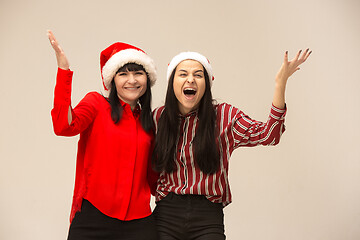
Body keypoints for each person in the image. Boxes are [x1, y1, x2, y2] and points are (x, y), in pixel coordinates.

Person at [151, 50, 311, 239]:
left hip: (207, 216)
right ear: (172, 83)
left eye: (198, 75)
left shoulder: (225, 116)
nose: (191, 80)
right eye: (183, 74)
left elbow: (270, 135)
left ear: (207, 83)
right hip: (166, 215)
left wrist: (280, 83)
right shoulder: (157, 118)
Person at [48, 30, 158, 240]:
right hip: (94, 218)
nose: (132, 80)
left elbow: (155, 178)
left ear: (148, 78)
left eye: (138, 73)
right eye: (123, 74)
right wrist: (63, 70)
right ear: (112, 80)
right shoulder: (96, 104)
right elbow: (63, 126)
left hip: (140, 224)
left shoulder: (149, 123)